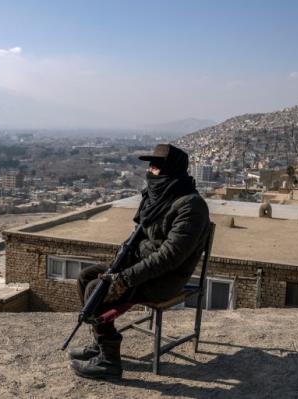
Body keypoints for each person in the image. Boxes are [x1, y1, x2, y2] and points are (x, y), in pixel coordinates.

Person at [69, 143, 211, 379]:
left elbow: (169, 257)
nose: (151, 171)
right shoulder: (158, 197)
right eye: (151, 165)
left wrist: (123, 279)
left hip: (164, 279)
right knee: (86, 278)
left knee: (99, 288)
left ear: (171, 170)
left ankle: (109, 362)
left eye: (156, 166)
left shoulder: (190, 206)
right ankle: (101, 344)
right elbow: (140, 237)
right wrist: (119, 266)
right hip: (138, 266)